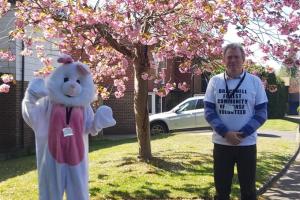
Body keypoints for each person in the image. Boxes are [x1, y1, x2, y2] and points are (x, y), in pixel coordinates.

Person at [204, 43, 268, 200]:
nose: (233, 60)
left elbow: (262, 113)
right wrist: (226, 133)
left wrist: (242, 134)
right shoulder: (214, 81)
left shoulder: (254, 82)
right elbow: (208, 111)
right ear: (224, 60)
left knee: (248, 191)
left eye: (236, 57)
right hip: (221, 144)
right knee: (221, 191)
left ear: (243, 59)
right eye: (229, 57)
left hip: (246, 145)